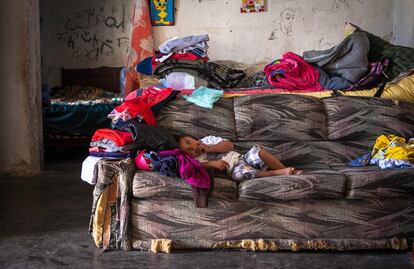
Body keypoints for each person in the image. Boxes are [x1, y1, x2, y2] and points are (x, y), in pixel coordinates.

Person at [176, 134, 303, 182]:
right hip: (235, 169)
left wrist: (210, 148)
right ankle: (279, 173)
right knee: (240, 174)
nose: (193, 147)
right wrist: (212, 164)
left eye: (189, 141)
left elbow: (229, 145)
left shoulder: (207, 139)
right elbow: (198, 166)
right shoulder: (195, 161)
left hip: (243, 158)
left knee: (257, 152)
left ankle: (287, 170)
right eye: (189, 150)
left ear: (191, 137)